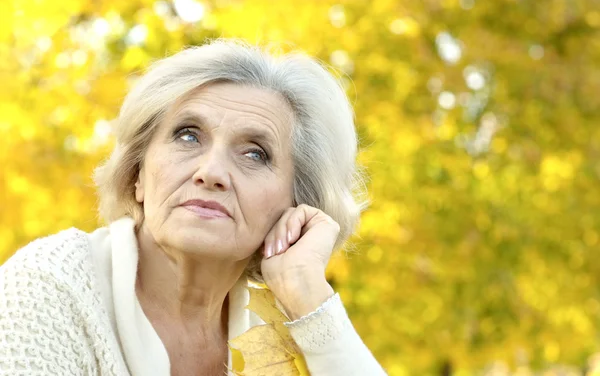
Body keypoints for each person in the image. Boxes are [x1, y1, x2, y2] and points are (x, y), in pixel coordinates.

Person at [0, 39, 386, 375]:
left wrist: (308, 291)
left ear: (296, 202)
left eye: (254, 154)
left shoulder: (287, 327)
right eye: (188, 136)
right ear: (137, 174)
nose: (212, 172)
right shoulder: (52, 286)